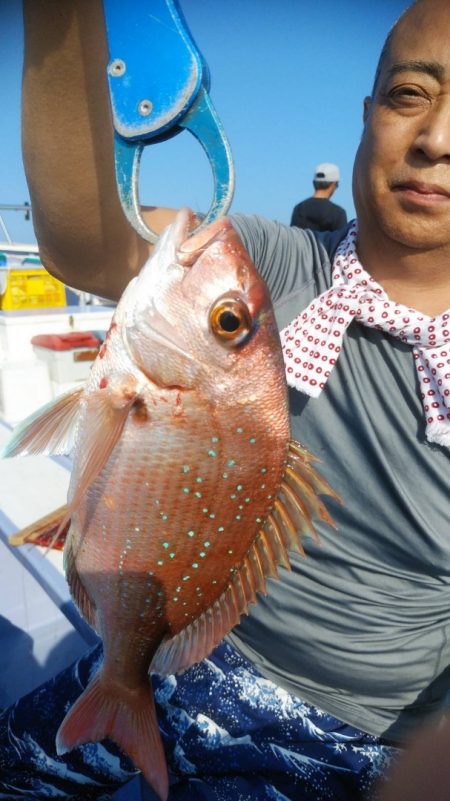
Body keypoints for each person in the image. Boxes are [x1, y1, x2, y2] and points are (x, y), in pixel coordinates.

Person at [2, 0, 449, 799]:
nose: (436, 138)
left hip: (355, 737)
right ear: (368, 112)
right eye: (410, 94)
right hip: (190, 647)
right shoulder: (272, 267)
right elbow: (85, 239)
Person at [290, 163, 348, 231]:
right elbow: (341, 240)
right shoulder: (338, 213)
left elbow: (293, 238)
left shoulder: (299, 208)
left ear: (313, 183)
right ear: (334, 184)